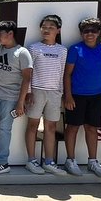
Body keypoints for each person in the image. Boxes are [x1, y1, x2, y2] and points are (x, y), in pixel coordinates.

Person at [0, 21, 32, 174]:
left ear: (10, 34)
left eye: (0, 34)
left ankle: (2, 162)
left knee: (4, 129)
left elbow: (27, 79)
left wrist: (20, 103)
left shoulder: (22, 53)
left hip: (11, 98)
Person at [62, 17, 101, 177]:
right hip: (76, 95)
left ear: (99, 33)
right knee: (72, 128)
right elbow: (67, 74)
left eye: (93, 31)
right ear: (81, 33)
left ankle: (92, 161)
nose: (90, 34)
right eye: (86, 31)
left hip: (96, 96)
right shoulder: (75, 49)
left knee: (92, 128)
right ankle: (70, 160)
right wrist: (68, 96)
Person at [24, 15, 68, 176]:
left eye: (51, 27)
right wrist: (28, 92)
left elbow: (62, 73)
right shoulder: (33, 48)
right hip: (37, 90)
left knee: (50, 127)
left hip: (54, 93)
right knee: (33, 125)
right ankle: (31, 160)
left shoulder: (63, 50)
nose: (47, 30)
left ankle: (49, 160)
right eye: (44, 27)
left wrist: (61, 93)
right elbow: (28, 73)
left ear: (58, 30)